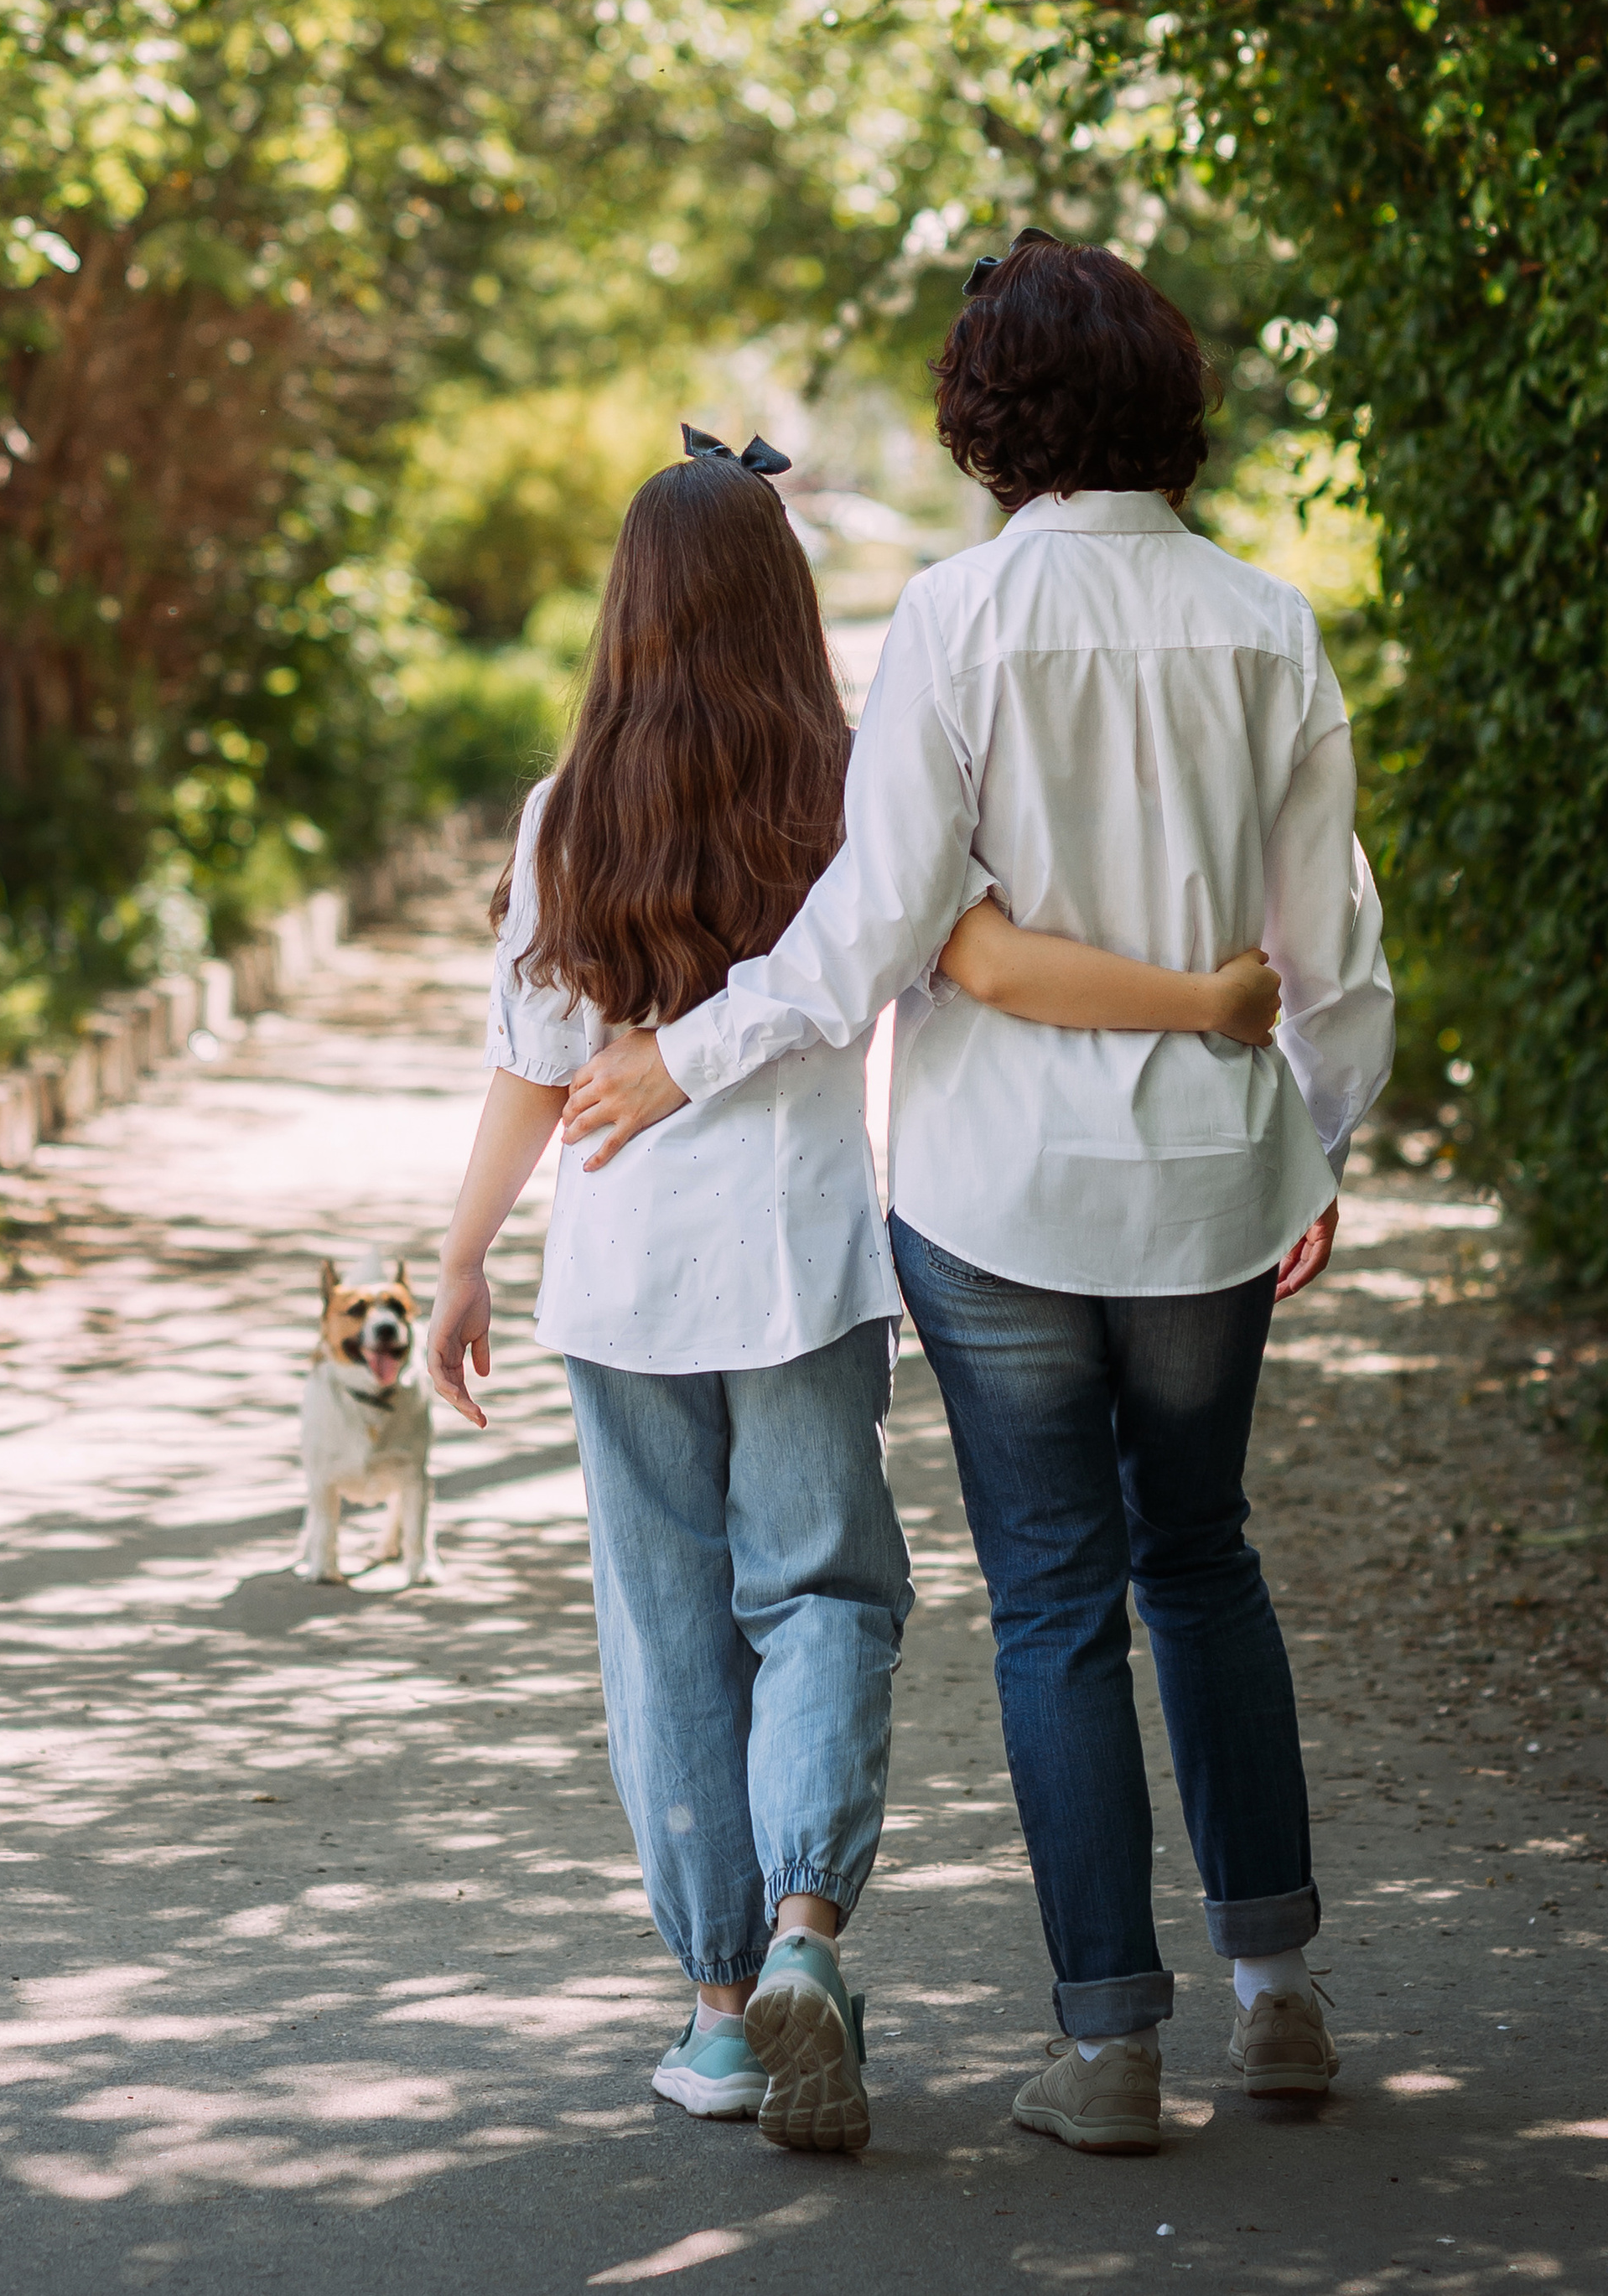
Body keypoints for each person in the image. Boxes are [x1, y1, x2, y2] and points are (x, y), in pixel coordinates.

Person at [563, 241, 1396, 2159]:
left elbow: (869, 932)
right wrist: (1315, 1138)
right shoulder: (1268, 624)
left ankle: (1106, 2049)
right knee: (1201, 1558)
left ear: (983, 417)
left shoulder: (954, 614)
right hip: (1206, 1183)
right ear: (1167, 404)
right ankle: (1276, 2003)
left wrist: (675, 1058)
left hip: (995, 1197)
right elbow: (1331, 948)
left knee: (1050, 1605)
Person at [425, 422, 1289, 2157]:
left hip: (617, 1286)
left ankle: (719, 2014)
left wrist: (459, 1265)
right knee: (822, 1595)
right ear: (782, 602)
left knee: (668, 1642)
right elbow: (931, 965)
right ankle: (811, 1936)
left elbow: (532, 1066)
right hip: (806, 1267)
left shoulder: (559, 816)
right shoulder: (840, 783)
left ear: (624, 616)